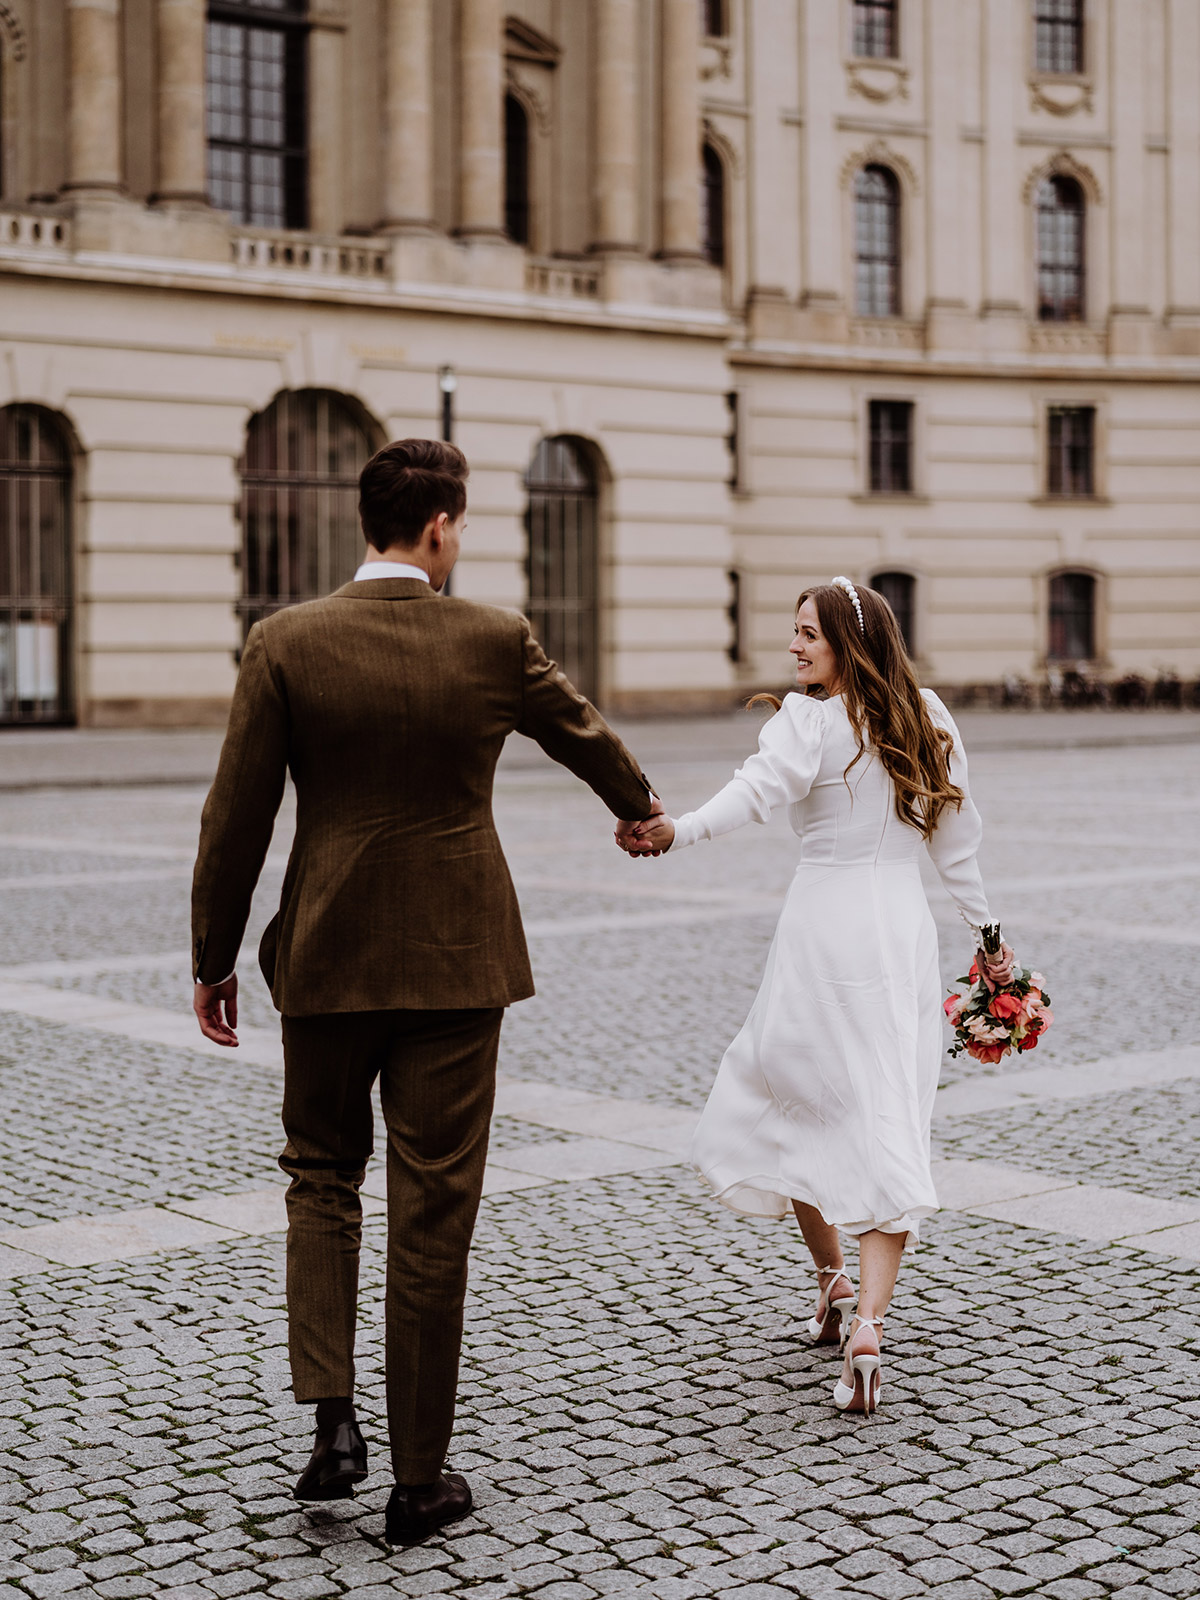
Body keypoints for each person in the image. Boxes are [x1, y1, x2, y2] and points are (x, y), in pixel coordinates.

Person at [191, 439, 660, 1541]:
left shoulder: (285, 642)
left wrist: (214, 956)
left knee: (319, 1175)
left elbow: (237, 815)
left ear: (370, 521)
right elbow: (581, 730)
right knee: (432, 1205)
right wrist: (636, 804)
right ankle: (419, 1477)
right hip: (456, 960)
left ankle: (331, 1421)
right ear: (440, 526)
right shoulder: (492, 636)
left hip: (327, 953)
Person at [621, 577, 1013, 1415]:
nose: (794, 646)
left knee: (800, 1098)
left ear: (848, 643)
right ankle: (861, 1314)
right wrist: (988, 938)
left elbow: (752, 796)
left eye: (809, 634)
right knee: (886, 1108)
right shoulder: (927, 716)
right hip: (898, 923)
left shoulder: (804, 723)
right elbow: (957, 839)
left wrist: (674, 829)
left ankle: (838, 1288)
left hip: (823, 923)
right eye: (793, 631)